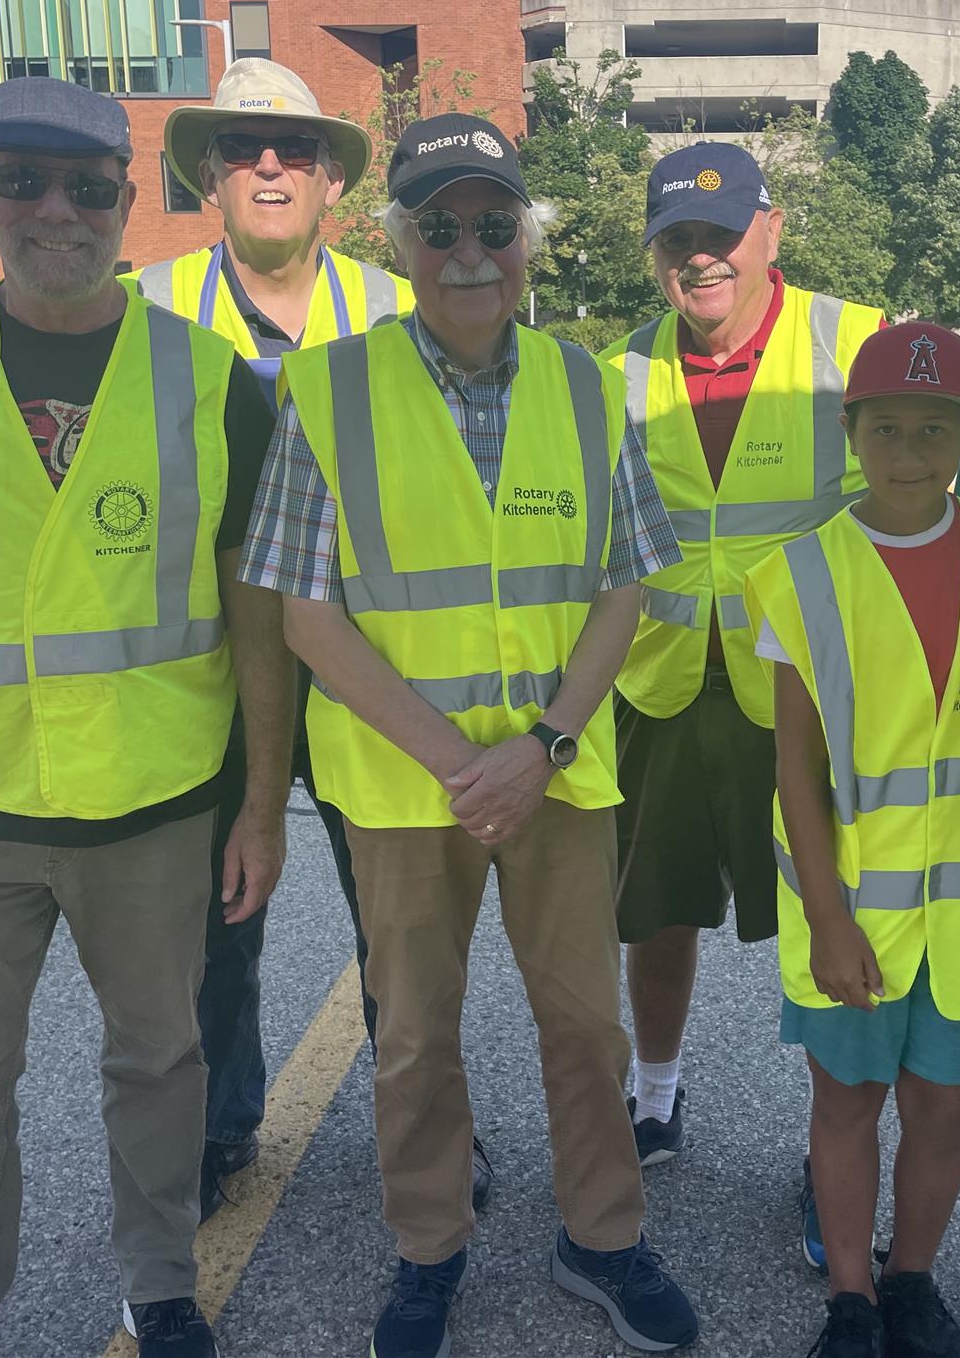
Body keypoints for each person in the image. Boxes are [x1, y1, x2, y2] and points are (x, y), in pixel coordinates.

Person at [0, 77, 292, 1358]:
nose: (55, 211)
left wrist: (260, 808)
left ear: (130, 199)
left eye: (86, 186)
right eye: (22, 181)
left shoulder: (211, 380)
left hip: (155, 811)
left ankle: (161, 1285)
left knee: (161, 1066)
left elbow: (258, 620)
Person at [242, 112, 700, 1358]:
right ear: (397, 243)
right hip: (408, 791)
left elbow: (626, 585)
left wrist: (539, 747)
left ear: (527, 242)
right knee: (413, 1038)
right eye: (438, 226)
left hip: (558, 776)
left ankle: (602, 1237)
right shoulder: (328, 389)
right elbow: (304, 614)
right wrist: (464, 766)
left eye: (493, 225)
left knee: (586, 1026)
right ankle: (428, 1249)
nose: (468, 251)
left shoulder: (588, 388)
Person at [126, 57, 464, 1222]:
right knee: (214, 924)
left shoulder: (395, 307)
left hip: (368, 666)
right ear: (207, 177)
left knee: (399, 928)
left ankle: (428, 1132)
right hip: (208, 674)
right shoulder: (147, 307)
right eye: (242, 147)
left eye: (296, 149)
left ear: (332, 182)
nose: (269, 165)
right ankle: (219, 1128)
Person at [601, 142, 882, 1247]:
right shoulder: (617, 372)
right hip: (660, 686)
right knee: (656, 909)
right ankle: (656, 1098)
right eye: (677, 238)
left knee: (829, 920)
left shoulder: (854, 346)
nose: (700, 257)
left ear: (772, 229)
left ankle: (832, 1159)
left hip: (808, 695)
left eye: (721, 234)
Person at [745, 323, 960, 1358]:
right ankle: (849, 1300)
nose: (909, 451)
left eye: (936, 428)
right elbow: (796, 769)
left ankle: (911, 1283)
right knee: (847, 1106)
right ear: (850, 432)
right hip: (852, 911)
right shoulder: (804, 573)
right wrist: (827, 917)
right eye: (886, 426)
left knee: (943, 1111)